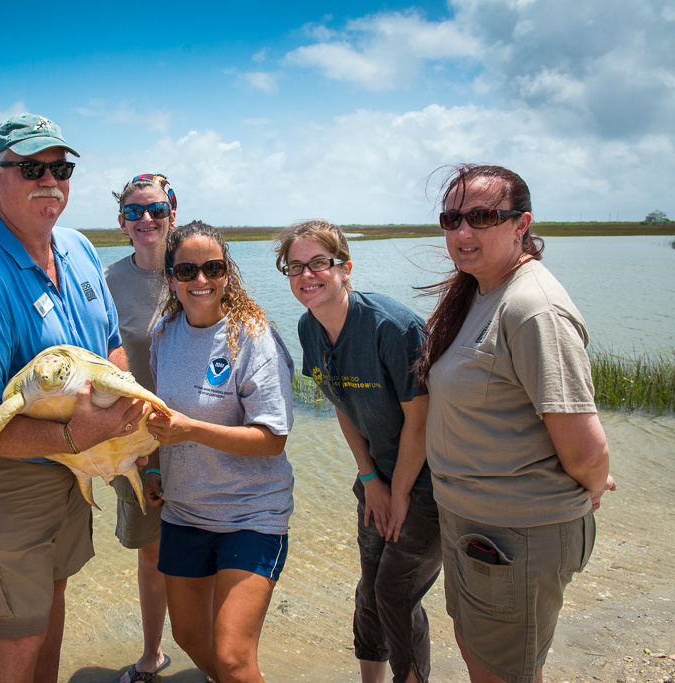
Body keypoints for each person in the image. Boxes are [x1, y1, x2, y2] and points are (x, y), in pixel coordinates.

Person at [0, 113, 147, 683]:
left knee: (50, 602)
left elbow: (111, 347)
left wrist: (123, 424)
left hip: (70, 461)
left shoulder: (76, 248)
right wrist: (80, 435)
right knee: (19, 630)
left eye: (61, 168)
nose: (49, 179)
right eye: (30, 167)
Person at [414, 164, 617, 683]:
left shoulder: (533, 309)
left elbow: (587, 451)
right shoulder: (483, 291)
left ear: (521, 223)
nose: (462, 233)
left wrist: (590, 488)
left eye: (481, 217)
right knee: (483, 655)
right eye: (452, 218)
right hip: (473, 522)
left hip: (515, 533)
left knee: (504, 673)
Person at [274, 220, 442, 683]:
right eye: (294, 266)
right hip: (380, 478)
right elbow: (342, 406)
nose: (306, 275)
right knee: (370, 589)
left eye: (318, 263)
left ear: (345, 268)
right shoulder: (310, 328)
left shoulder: (391, 327)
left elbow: (421, 420)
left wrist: (400, 493)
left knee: (395, 592)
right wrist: (371, 482)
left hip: (431, 481)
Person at [145, 223, 295, 683]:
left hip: (251, 513)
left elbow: (273, 438)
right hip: (185, 511)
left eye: (213, 268)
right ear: (170, 279)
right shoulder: (165, 334)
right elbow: (158, 413)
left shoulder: (252, 336)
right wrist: (152, 467)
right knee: (191, 638)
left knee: (232, 656)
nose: (201, 280)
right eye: (187, 270)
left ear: (227, 273)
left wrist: (192, 430)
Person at [103, 173, 178, 683]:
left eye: (155, 209)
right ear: (122, 222)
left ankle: (221, 651)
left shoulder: (199, 266)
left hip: (199, 433)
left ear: (172, 211)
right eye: (134, 211)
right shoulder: (107, 280)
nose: (145, 220)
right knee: (152, 552)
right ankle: (152, 655)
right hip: (135, 441)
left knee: (209, 544)